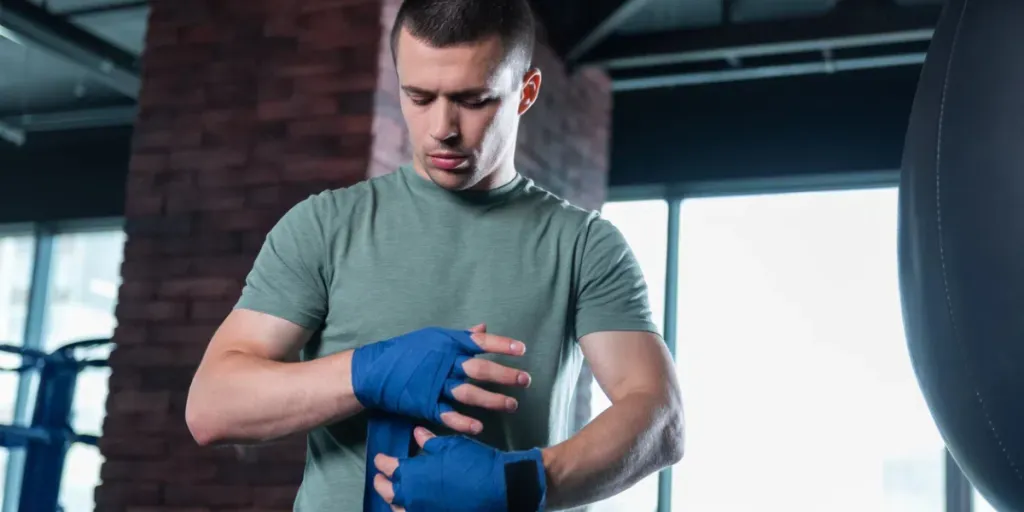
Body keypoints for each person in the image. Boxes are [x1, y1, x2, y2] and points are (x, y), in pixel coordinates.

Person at [184, 0, 684, 510]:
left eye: (473, 100)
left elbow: (659, 418)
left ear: (525, 93)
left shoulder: (583, 245)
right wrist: (366, 373)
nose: (441, 127)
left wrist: (519, 482)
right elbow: (212, 407)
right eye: (419, 97)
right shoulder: (324, 227)